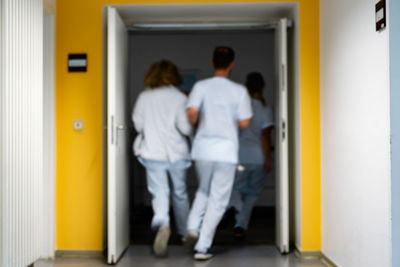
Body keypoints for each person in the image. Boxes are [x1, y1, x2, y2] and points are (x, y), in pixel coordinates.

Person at [182, 46, 253, 260]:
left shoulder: (201, 86)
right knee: (219, 199)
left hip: (203, 148)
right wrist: (229, 124)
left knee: (203, 190)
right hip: (226, 151)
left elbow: (192, 112)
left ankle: (192, 226)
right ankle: (202, 246)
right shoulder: (239, 91)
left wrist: (200, 123)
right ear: (231, 64)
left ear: (212, 63)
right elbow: (244, 121)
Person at [132, 60, 192, 257]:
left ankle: (162, 224)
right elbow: (185, 128)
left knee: (159, 192)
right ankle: (184, 232)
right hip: (176, 153)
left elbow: (138, 125)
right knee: (180, 193)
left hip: (153, 152)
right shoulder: (179, 98)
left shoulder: (144, 97)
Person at [230, 72, 274, 240]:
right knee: (252, 194)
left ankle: (235, 207)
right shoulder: (265, 108)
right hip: (258, 157)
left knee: (236, 188)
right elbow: (265, 136)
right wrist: (268, 159)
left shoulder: (240, 107)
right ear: (262, 87)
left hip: (240, 156)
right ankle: (240, 226)